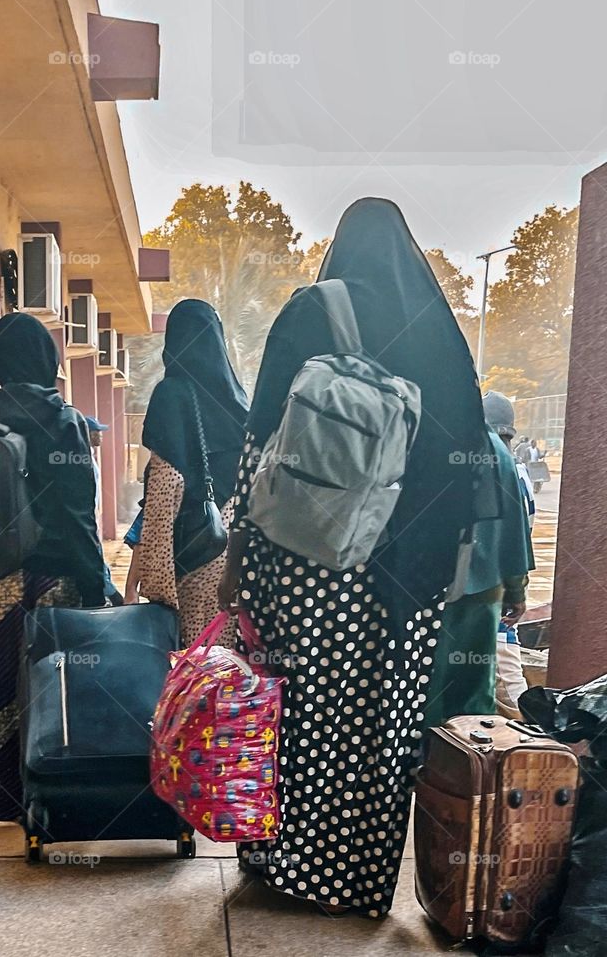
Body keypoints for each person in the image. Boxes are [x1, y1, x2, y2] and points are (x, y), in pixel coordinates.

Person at [218, 197, 495, 918]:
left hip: (310, 563)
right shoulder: (438, 329)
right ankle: (359, 882)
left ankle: (288, 866)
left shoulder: (310, 312)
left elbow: (260, 451)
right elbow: (467, 462)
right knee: (381, 725)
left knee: (300, 714)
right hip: (407, 579)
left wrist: (242, 565)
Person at [0, 312, 107, 822]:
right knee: (56, 696)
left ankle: (7, 809)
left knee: (2, 703)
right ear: (47, 361)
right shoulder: (63, 421)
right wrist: (96, 591)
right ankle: (57, 807)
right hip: (55, 582)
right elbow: (77, 516)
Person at [135, 299, 248, 645]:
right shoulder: (239, 400)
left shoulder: (171, 396)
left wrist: (157, 586)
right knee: (227, 667)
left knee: (193, 672)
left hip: (193, 556)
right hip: (232, 554)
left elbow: (165, 490)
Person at [422, 425, 535, 729]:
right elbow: (515, 529)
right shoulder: (498, 451)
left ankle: (426, 758)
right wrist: (516, 590)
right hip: (484, 590)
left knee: (427, 681)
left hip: (427, 588)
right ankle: (468, 760)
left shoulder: (430, 435)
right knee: (473, 684)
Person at [480, 390, 536, 714]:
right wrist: (517, 592)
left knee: (509, 697)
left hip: (471, 604)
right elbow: (520, 541)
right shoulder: (519, 475)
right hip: (498, 603)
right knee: (513, 697)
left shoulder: (465, 466)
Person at [86, 415, 123, 606]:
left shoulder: (89, 455)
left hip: (92, 517)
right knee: (96, 558)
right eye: (97, 431)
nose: (100, 435)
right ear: (88, 433)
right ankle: (113, 595)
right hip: (87, 519)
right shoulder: (82, 457)